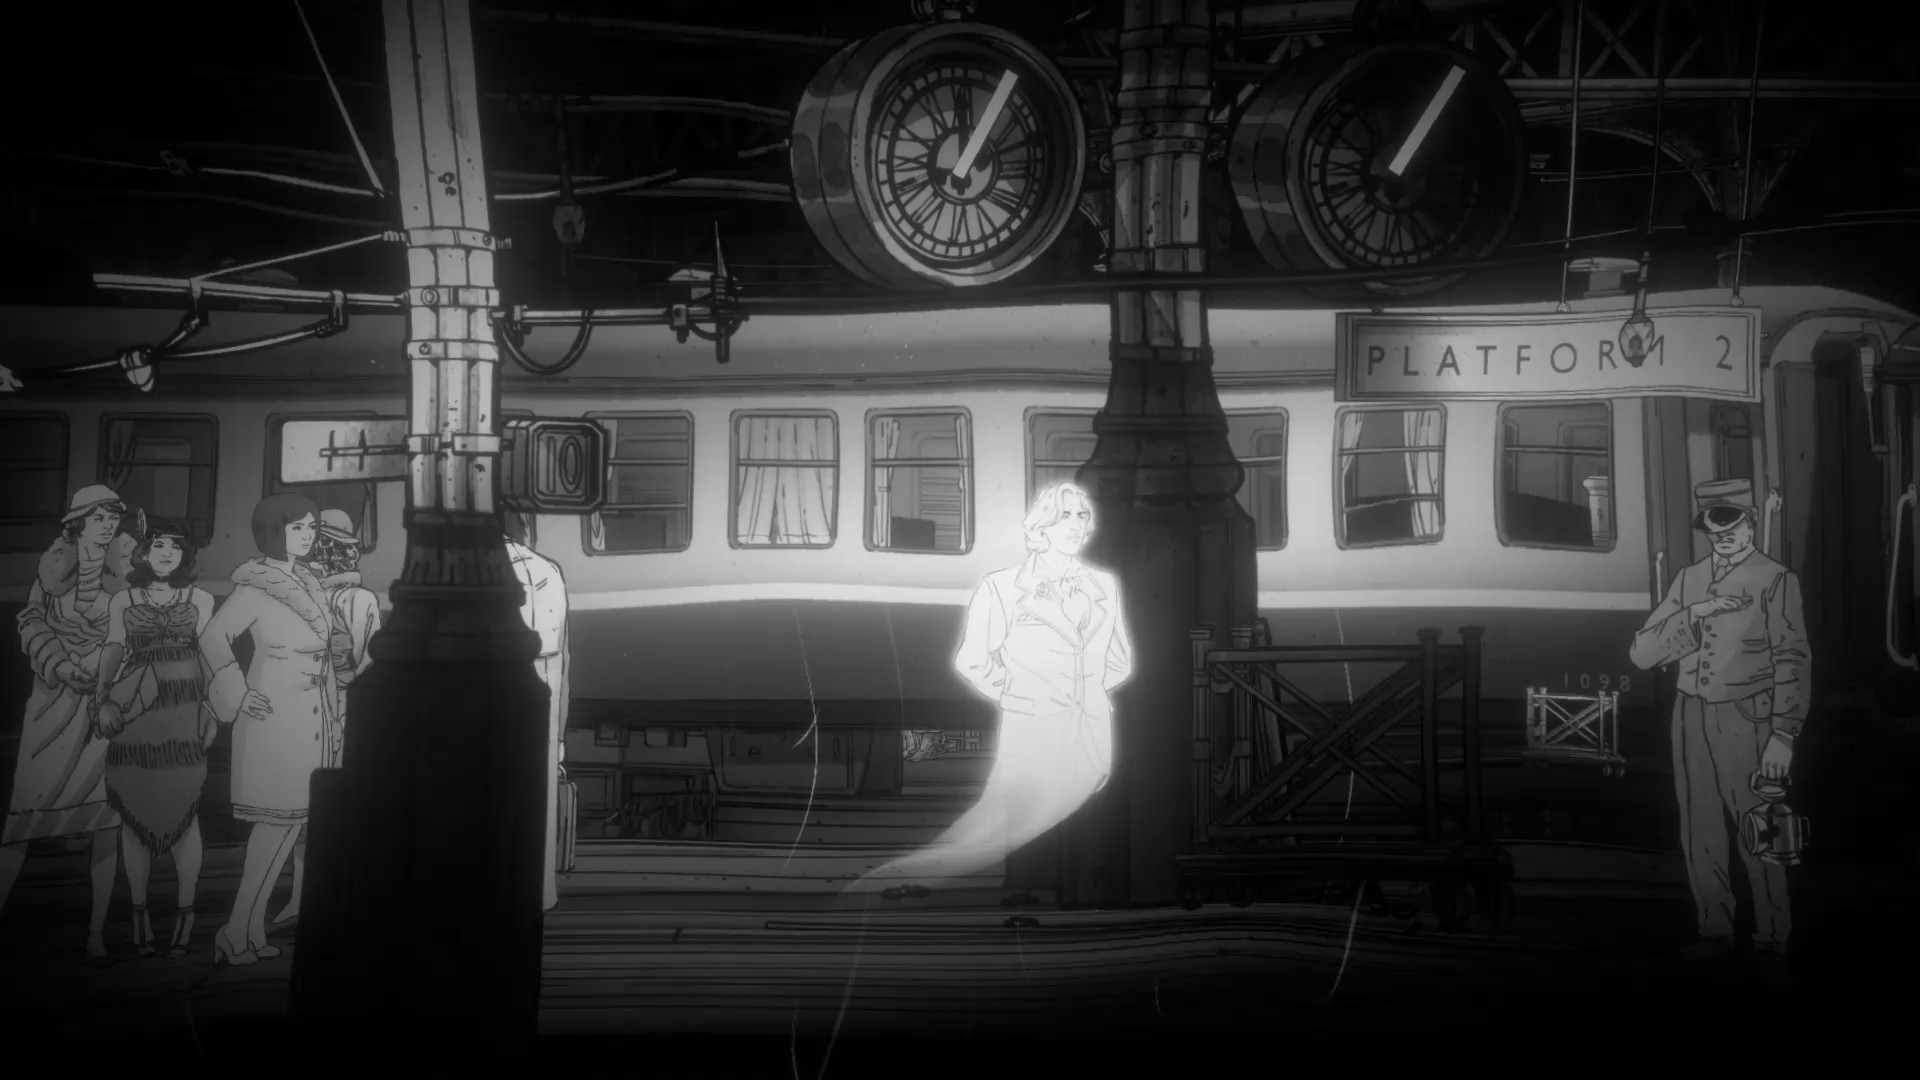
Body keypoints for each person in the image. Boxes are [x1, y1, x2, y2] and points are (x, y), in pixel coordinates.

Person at [849, 482, 1134, 895]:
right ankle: (909, 878)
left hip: (1090, 731)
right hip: (1032, 724)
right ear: (1041, 526)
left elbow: (1120, 659)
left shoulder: (1103, 585)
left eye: (1082, 515)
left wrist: (1084, 691)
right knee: (1009, 818)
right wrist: (1019, 693)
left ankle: (1056, 895)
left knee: (1066, 821)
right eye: (1064, 516)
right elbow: (972, 660)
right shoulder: (1002, 587)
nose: (1076, 525)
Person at [1629, 478, 1809, 982]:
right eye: (1714, 526)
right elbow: (1642, 653)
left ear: (1751, 521)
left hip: (1748, 716)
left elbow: (1793, 658)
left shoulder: (1776, 579)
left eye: (1732, 524)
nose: (1723, 535)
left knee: (1760, 829)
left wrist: (1784, 734)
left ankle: (1773, 940)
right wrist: (1696, 613)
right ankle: (1715, 932)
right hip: (1690, 715)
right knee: (1700, 827)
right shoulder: (1688, 580)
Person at [0, 485, 138, 959]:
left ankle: (95, 933)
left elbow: (132, 630)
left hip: (102, 705)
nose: (108, 524)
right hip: (51, 704)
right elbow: (31, 621)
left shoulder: (127, 569)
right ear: (77, 523)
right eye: (98, 516)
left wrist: (101, 669)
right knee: (24, 819)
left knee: (104, 821)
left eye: (112, 517)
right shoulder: (52, 566)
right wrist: (60, 665)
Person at [199, 494, 336, 966]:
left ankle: (250, 929)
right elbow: (213, 636)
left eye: (312, 527)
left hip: (309, 716)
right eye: (297, 527)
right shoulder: (258, 585)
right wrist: (237, 692)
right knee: (273, 825)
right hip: (274, 713)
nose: (308, 535)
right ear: (273, 531)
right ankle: (236, 928)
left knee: (289, 824)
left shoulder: (306, 580)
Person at [91, 518, 217, 959]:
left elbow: (209, 654)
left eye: (175, 547)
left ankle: (186, 915)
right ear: (143, 552)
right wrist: (102, 700)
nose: (166, 553)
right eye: (158, 545)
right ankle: (140, 917)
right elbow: (113, 647)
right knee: (133, 812)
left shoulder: (201, 598)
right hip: (137, 712)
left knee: (187, 810)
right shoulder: (123, 599)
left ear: (185, 556)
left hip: (184, 711)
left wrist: (212, 708)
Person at [270, 507, 380, 929]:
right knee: (312, 808)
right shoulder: (346, 597)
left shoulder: (349, 599)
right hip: (325, 711)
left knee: (318, 807)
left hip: (331, 713)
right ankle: (312, 898)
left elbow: (364, 664)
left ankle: (316, 898)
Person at [505, 511, 570, 912]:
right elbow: (565, 657)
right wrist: (560, 735)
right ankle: (540, 893)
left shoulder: (479, 571)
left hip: (498, 692)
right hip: (546, 692)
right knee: (539, 798)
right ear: (524, 530)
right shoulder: (550, 571)